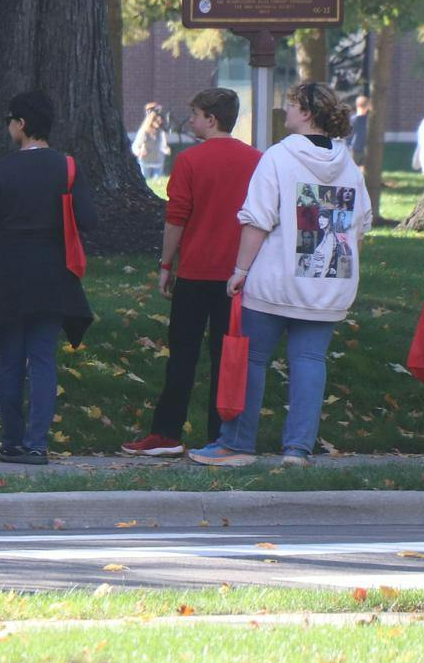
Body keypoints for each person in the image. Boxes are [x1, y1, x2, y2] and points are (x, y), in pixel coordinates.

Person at [192, 82, 370, 466]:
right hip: (328, 281)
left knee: (252, 360)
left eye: (290, 105)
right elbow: (360, 223)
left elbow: (257, 219)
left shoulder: (278, 157)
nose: (284, 111)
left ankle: (237, 444)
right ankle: (297, 450)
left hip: (274, 281)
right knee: (310, 361)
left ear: (306, 112)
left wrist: (240, 270)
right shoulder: (348, 165)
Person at [122, 87, 261, 458]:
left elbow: (176, 218)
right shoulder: (257, 160)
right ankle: (223, 434)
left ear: (211, 119)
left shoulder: (190, 161)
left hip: (196, 271)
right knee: (225, 355)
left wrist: (166, 264)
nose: (192, 121)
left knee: (183, 354)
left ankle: (167, 433)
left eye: (196, 114)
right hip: (239, 276)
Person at [0, 89, 97, 465]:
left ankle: (11, 441)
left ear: (22, 124)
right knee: (43, 359)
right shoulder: (67, 167)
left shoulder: (1, 169)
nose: (9, 127)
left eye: (11, 121)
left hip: (9, 275)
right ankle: (37, 443)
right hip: (52, 273)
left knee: (10, 360)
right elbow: (88, 220)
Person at [131, 102, 169, 181]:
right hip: (145, 162)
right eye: (157, 120)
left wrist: (165, 150)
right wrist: (139, 152)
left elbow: (163, 145)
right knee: (145, 182)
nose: (159, 122)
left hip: (158, 162)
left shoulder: (160, 132)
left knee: (158, 183)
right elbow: (135, 146)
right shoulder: (144, 132)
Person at [346, 94, 374, 160]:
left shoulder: (366, 120)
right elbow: (348, 135)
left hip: (362, 149)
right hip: (353, 150)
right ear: (368, 107)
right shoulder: (354, 120)